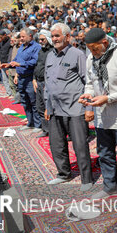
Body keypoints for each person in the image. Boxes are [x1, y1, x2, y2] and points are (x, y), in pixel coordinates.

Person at [79, 28, 117, 200]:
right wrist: (89, 95)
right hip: (102, 116)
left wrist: (108, 98)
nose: (92, 52)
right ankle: (109, 186)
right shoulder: (91, 58)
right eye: (89, 49)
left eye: (95, 48)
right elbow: (90, 82)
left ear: (104, 43)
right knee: (105, 153)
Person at [44, 23, 94, 191]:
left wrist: (89, 108)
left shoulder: (77, 55)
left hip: (74, 108)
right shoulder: (50, 56)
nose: (54, 39)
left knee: (80, 145)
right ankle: (63, 173)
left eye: (57, 36)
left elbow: (88, 81)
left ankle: (86, 179)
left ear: (67, 37)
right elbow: (47, 82)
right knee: (56, 144)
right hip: (55, 108)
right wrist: (46, 105)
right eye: (53, 36)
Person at [7, 28, 41, 130]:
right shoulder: (21, 47)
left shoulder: (36, 47)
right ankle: (30, 122)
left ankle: (38, 124)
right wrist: (8, 65)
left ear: (30, 36)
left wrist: (21, 64)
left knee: (33, 101)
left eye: (23, 36)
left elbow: (35, 61)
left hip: (30, 78)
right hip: (21, 78)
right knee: (25, 101)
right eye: (20, 37)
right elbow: (16, 60)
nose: (21, 39)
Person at [33, 30, 53, 137]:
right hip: (38, 82)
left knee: (48, 107)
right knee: (40, 106)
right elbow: (37, 65)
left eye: (42, 39)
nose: (40, 41)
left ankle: (53, 130)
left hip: (47, 82)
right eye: (39, 39)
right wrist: (34, 79)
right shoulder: (41, 51)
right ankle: (45, 129)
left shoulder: (52, 51)